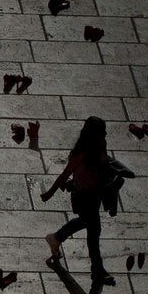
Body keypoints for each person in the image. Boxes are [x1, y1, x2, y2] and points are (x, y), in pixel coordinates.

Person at [41, 116, 116, 285]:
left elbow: (105, 164)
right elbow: (64, 175)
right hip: (83, 197)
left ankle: (56, 237)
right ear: (92, 134)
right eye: (101, 131)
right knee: (94, 231)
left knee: (86, 223)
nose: (105, 133)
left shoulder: (101, 145)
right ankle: (98, 270)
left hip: (95, 194)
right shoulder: (80, 154)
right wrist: (50, 193)